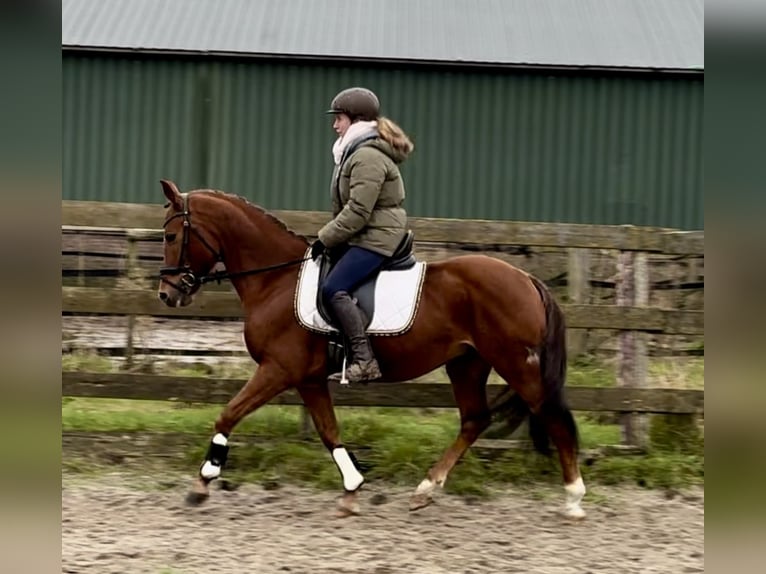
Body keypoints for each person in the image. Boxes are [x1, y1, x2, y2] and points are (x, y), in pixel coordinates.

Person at [311, 87, 415, 384]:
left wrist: (325, 237)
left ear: (355, 121)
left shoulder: (366, 156)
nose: (335, 125)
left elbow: (358, 210)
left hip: (376, 237)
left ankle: (364, 360)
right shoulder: (358, 152)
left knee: (333, 289)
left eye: (339, 118)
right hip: (368, 234)